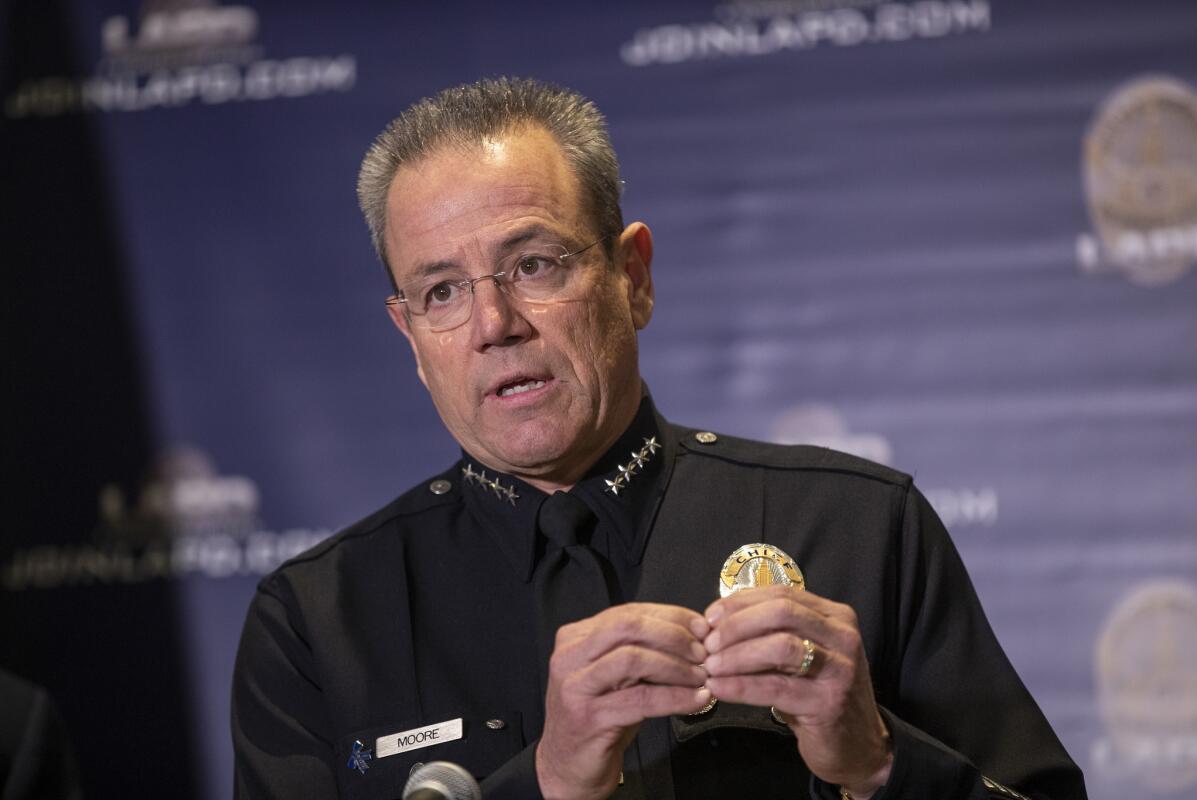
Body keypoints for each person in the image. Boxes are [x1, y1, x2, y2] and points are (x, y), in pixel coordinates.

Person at [231, 77, 1087, 800]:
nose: (494, 323)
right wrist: (548, 782)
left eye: (534, 265)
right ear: (410, 336)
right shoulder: (316, 621)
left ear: (631, 277)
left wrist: (880, 763)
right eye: (443, 291)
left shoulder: (862, 525)